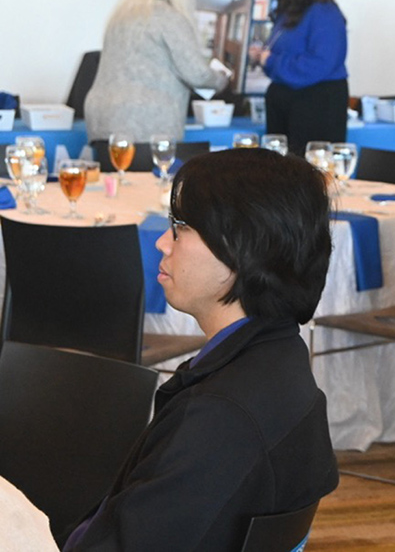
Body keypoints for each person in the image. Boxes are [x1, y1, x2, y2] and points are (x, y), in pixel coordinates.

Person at [63, 148, 339, 550]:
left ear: (241, 249)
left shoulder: (222, 417)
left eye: (179, 228)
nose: (161, 243)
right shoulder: (279, 357)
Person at [84, 0, 229, 142]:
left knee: (116, 172)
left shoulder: (121, 15)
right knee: (151, 172)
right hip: (146, 119)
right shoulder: (169, 17)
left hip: (101, 117)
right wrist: (221, 79)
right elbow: (197, 73)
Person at [249, 0, 348, 157]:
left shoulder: (324, 11)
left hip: (316, 104)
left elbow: (319, 64)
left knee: (310, 177)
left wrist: (271, 61)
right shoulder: (288, 11)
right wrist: (264, 57)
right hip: (287, 104)